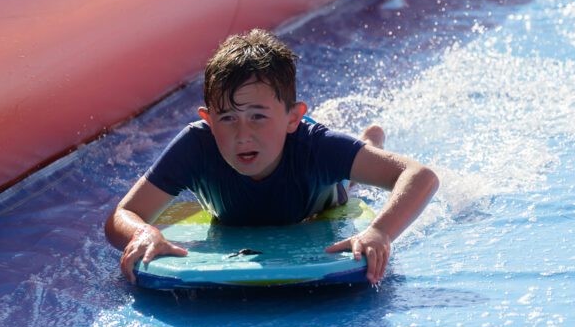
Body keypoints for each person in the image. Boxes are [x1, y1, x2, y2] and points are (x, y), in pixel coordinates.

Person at [105, 29, 439, 285]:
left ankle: (367, 145)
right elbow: (125, 213)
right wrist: (142, 233)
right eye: (227, 118)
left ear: (293, 118)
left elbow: (420, 176)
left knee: (344, 183)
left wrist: (380, 232)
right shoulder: (197, 146)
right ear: (208, 120)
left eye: (257, 116)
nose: (242, 134)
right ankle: (361, 148)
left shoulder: (313, 148)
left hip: (316, 202)